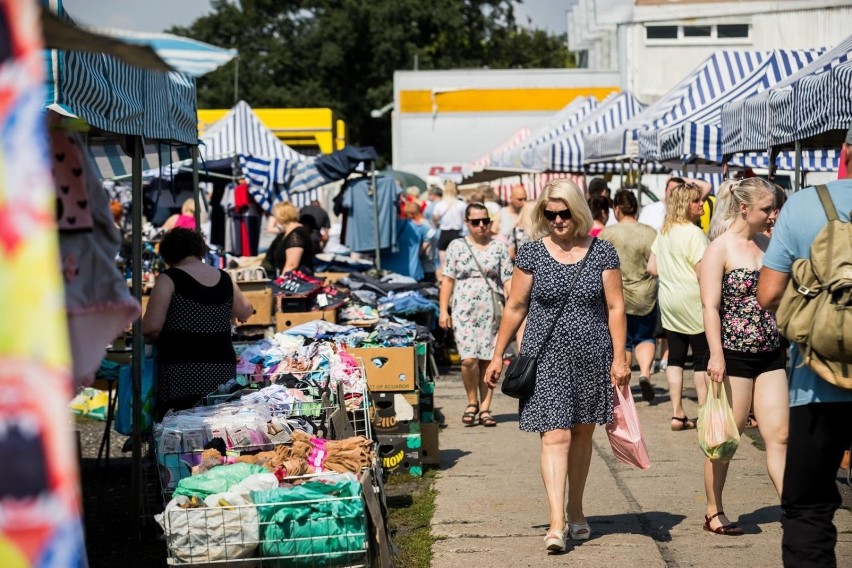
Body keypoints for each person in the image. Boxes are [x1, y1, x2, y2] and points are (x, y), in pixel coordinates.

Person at [483, 179, 629, 552]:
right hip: (545, 356)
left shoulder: (602, 252)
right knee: (555, 435)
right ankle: (556, 522)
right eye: (550, 214)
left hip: (591, 354)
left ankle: (576, 510)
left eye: (564, 213)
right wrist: (498, 353)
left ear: (577, 210)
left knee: (581, 435)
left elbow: (615, 308)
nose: (558, 220)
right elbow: (515, 306)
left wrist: (619, 356)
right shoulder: (531, 253)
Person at [756, 134, 852, 567]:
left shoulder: (804, 205)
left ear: (845, 153)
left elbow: (768, 293)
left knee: (809, 505)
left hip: (818, 381)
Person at [698, 177, 787, 536]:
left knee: (779, 434)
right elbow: (709, 306)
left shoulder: (769, 243)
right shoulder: (719, 248)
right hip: (733, 355)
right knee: (724, 441)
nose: (772, 214)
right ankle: (713, 510)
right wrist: (715, 355)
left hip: (770, 352)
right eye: (767, 208)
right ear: (745, 208)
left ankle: (792, 507)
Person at [142, 229, 253, 419]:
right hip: (221, 371)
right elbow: (245, 311)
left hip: (182, 373)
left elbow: (151, 328)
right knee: (220, 426)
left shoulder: (168, 279)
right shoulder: (224, 278)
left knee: (182, 431)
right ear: (199, 249)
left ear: (168, 253)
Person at [439, 203, 512, 428]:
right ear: (467, 223)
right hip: (464, 310)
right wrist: (443, 310)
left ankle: (485, 407)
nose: (481, 226)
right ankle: (472, 400)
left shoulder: (499, 248)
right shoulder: (456, 246)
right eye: (475, 222)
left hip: (492, 310)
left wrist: (514, 306)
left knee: (489, 360)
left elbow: (508, 279)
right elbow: (448, 279)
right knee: (469, 359)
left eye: (485, 221)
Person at [647, 183, 709, 431]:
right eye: (696, 201)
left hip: (669, 299)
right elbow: (702, 273)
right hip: (693, 300)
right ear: (685, 205)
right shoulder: (694, 234)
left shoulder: (664, 232)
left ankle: (677, 413)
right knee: (702, 359)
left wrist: (672, 273)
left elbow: (652, 267)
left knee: (676, 356)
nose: (702, 204)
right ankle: (704, 413)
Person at [599, 190, 658, 401]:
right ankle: (645, 373)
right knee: (645, 337)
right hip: (645, 295)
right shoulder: (651, 232)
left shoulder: (608, 234)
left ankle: (625, 383)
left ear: (616, 209)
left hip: (617, 297)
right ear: (636, 208)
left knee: (623, 341)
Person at [261, 202, 315, 277]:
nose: (274, 218)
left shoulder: (296, 234)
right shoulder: (285, 234)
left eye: (274, 215)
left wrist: (281, 282)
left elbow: (292, 265)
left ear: (281, 216)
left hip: (295, 284)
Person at [433, 181, 467, 278]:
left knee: (443, 263)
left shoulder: (440, 205)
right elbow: (465, 220)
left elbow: (435, 218)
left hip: (444, 233)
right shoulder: (462, 204)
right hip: (457, 234)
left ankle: (443, 283)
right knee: (458, 262)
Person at [404, 201, 439, 283]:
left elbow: (427, 243)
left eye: (406, 215)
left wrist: (414, 255)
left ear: (412, 214)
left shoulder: (422, 226)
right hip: (429, 265)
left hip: (426, 266)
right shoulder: (428, 222)